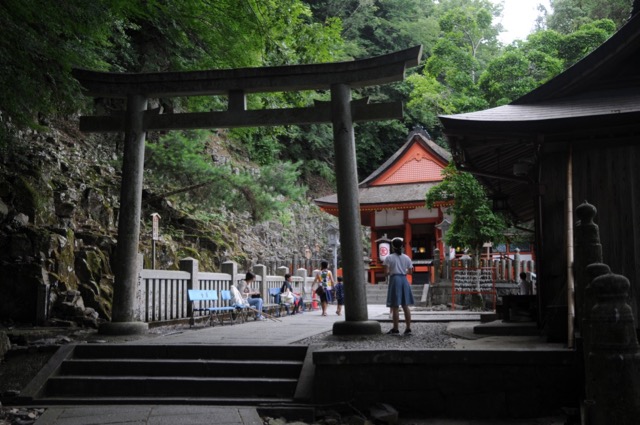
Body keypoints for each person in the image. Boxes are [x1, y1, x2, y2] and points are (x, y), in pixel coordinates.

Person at [383, 237, 414, 335]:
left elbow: (386, 273)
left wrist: (393, 271)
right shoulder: (406, 257)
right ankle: (408, 328)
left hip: (395, 280)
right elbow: (410, 272)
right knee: (405, 306)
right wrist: (403, 271)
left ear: (392, 247)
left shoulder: (389, 258)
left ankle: (395, 328)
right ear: (402, 246)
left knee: (395, 306)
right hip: (404, 280)